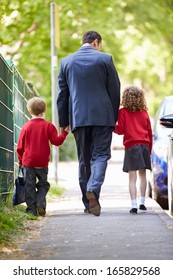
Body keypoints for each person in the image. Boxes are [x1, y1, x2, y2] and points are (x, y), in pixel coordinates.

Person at [57, 30, 120, 216]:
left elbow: (62, 96)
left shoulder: (66, 62)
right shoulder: (106, 59)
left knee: (84, 160)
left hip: (79, 118)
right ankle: (93, 189)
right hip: (103, 117)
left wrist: (63, 122)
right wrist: (113, 117)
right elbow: (115, 91)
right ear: (96, 43)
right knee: (100, 156)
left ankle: (88, 203)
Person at [17, 97, 69, 216]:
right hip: (42, 162)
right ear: (44, 110)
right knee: (43, 184)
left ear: (29, 111)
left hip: (28, 162)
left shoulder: (26, 127)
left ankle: (31, 210)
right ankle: (40, 202)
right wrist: (64, 133)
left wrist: (20, 161)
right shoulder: (48, 126)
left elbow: (20, 147)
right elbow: (56, 141)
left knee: (29, 185)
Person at [114, 85, 152, 214]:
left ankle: (134, 205)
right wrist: (150, 150)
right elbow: (149, 131)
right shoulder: (145, 113)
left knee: (132, 177)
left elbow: (120, 130)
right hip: (144, 146)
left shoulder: (123, 112)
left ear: (125, 98)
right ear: (141, 98)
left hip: (131, 146)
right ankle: (142, 202)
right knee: (143, 174)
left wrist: (111, 126)